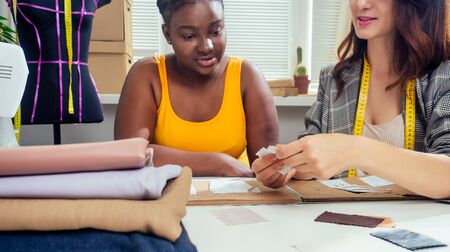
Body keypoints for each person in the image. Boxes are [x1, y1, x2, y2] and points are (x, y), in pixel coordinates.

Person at [253, 0, 450, 199]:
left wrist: (354, 150)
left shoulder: (443, 77)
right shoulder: (333, 77)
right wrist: (283, 167)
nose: (361, 4)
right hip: (344, 226)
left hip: (417, 227)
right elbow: (312, 162)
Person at [114, 0, 278, 177]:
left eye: (215, 32)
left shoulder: (247, 77)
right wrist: (219, 164)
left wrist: (278, 172)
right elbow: (129, 154)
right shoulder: (147, 75)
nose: (206, 46)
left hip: (236, 197)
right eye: (189, 36)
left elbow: (268, 168)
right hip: (163, 198)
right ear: (167, 33)